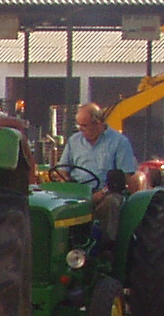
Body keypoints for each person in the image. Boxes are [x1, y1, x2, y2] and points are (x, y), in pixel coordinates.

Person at [57, 101, 139, 239]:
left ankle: (105, 246)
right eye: (79, 126)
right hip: (77, 191)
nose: (81, 130)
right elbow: (63, 169)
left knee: (111, 203)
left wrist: (104, 191)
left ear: (98, 123)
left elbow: (125, 176)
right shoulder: (74, 141)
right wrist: (65, 181)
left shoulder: (119, 142)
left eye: (85, 126)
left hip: (107, 191)